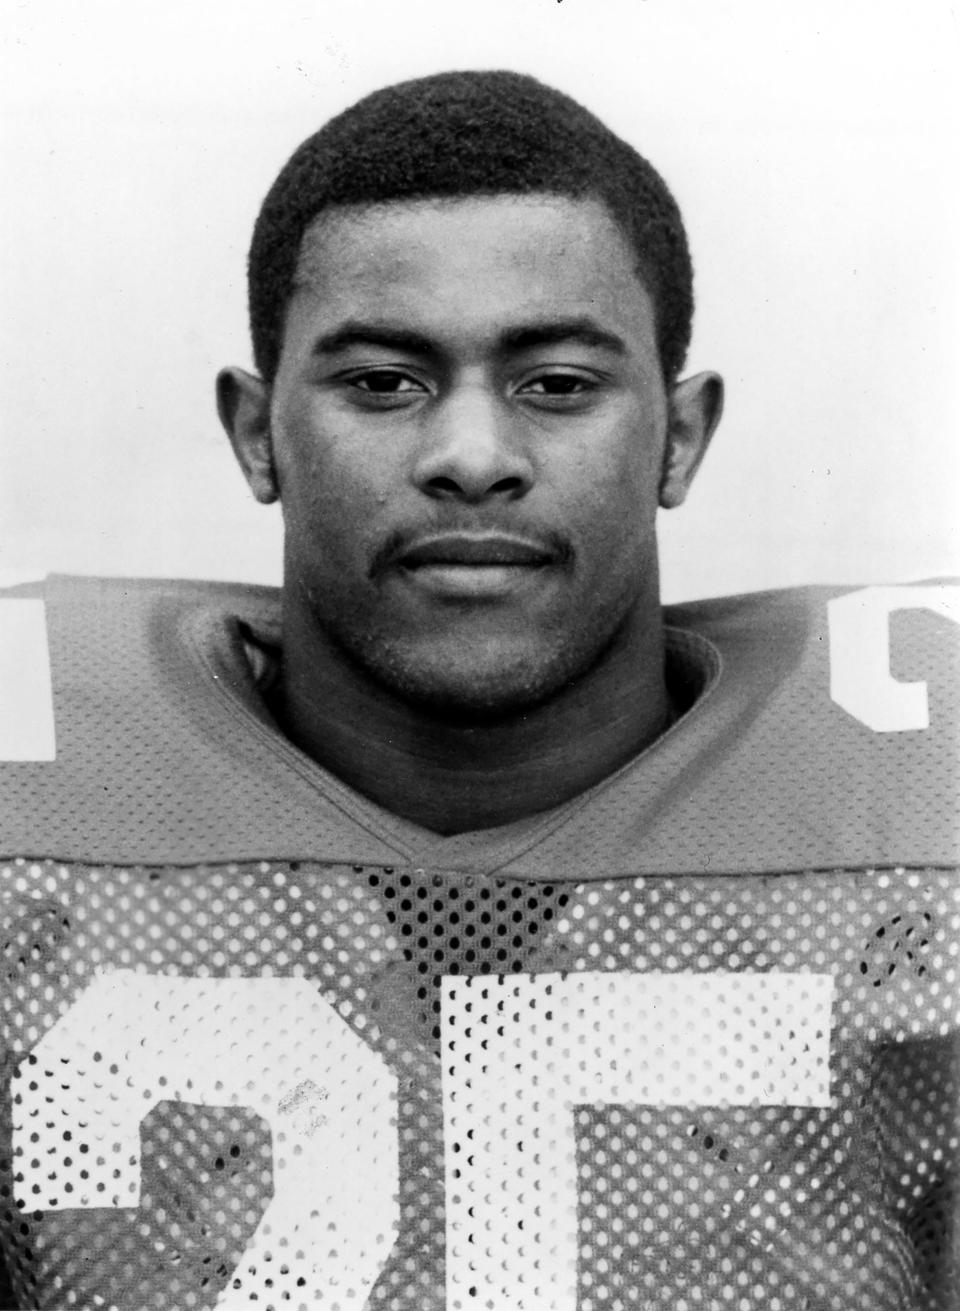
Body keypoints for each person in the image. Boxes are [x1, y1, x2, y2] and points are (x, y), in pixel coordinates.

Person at [0, 69, 956, 1311]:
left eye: (556, 382)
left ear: (677, 436)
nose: (470, 457)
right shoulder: (37, 793)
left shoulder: (922, 802)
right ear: (256, 433)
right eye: (382, 382)